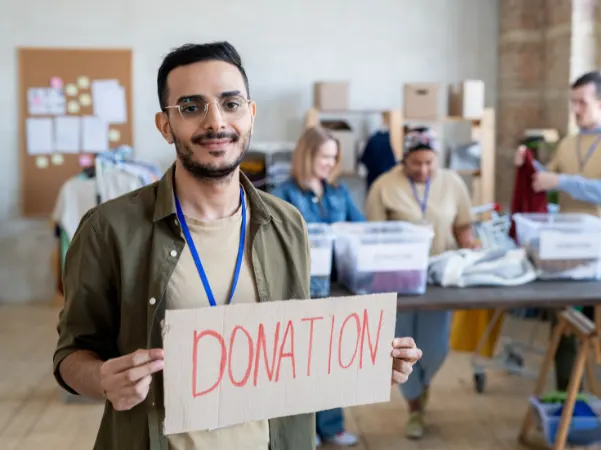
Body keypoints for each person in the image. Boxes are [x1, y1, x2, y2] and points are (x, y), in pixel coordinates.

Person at [52, 41, 423, 450]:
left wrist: (366, 362)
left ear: (250, 114)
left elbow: (296, 352)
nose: (216, 123)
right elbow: (71, 355)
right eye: (191, 107)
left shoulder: (287, 224)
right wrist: (104, 380)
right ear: (165, 125)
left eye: (230, 104)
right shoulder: (109, 230)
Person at [515, 71, 601, 441]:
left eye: (582, 103)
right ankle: (567, 414)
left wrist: (561, 182)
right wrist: (529, 166)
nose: (575, 110)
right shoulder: (569, 143)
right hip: (565, 252)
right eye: (572, 102)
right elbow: (545, 181)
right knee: (564, 330)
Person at [366, 127, 476, 440]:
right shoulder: (384, 186)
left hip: (439, 278)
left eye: (430, 163)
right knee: (401, 349)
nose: (424, 170)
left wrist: (473, 254)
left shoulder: (452, 182)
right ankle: (414, 408)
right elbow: (372, 238)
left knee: (437, 348)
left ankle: (423, 386)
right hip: (397, 280)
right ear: (405, 159)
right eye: (416, 163)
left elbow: (463, 227)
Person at [272, 126, 364, 448]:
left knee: (331, 360)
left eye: (334, 157)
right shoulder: (283, 195)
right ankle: (302, 427)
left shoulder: (339, 193)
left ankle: (331, 426)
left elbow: (360, 230)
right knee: (300, 362)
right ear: (307, 154)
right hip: (298, 289)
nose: (330, 163)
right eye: (324, 156)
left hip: (336, 288)